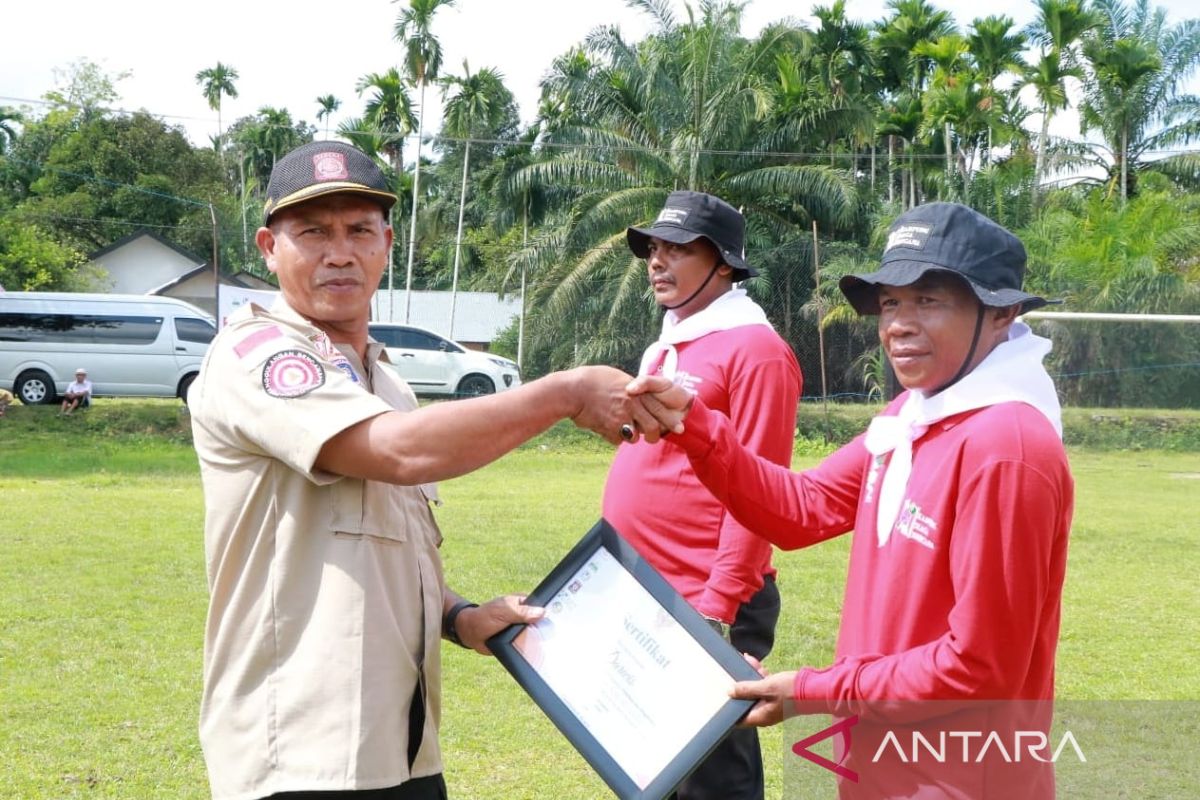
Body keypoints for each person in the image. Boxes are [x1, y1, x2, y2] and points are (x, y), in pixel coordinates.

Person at [188, 141, 674, 800]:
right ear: (270, 247)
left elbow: (387, 544)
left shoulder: (387, 384)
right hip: (299, 751)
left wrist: (461, 618)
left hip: (401, 747)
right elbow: (396, 451)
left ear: (386, 244)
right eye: (313, 233)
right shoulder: (256, 354)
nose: (339, 253)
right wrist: (565, 393)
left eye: (359, 230)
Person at [632, 202, 1074, 798]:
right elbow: (802, 507)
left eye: (930, 300)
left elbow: (979, 666)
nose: (899, 324)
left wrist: (813, 689)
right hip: (884, 765)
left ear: (1001, 312)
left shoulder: (1005, 446)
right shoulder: (912, 417)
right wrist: (697, 426)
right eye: (891, 302)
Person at [603, 191, 801, 800]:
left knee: (713, 774)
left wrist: (717, 607)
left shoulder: (758, 350)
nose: (658, 262)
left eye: (679, 249)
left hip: (705, 596)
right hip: (644, 581)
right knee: (649, 759)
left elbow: (762, 490)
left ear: (724, 265)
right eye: (654, 248)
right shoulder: (673, 339)